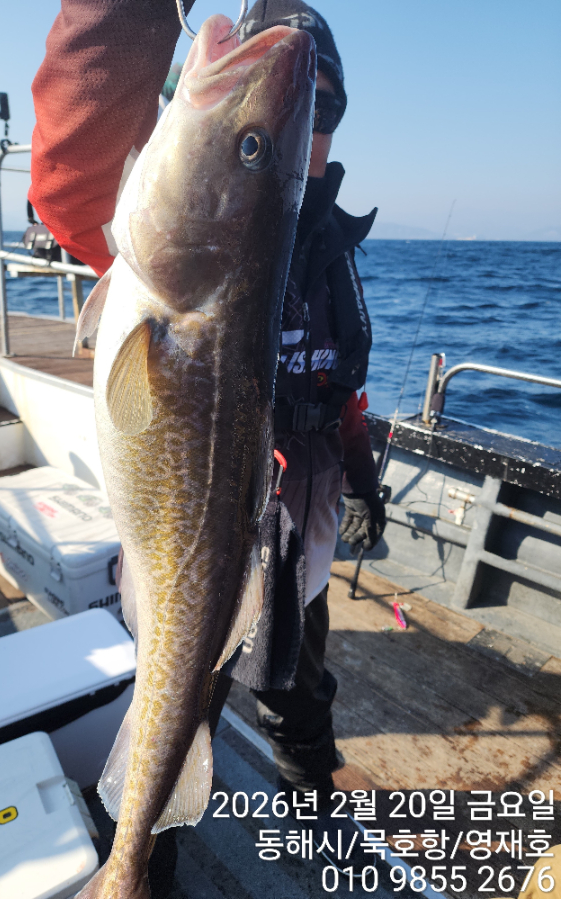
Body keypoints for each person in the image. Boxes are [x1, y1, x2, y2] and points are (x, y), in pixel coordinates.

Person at [29, 0, 386, 888]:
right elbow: (74, 170)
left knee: (303, 700)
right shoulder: (164, 239)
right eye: (260, 140)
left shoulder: (326, 247)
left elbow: (340, 383)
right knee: (185, 703)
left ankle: (314, 822)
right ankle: (140, 862)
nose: (309, 127)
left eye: (323, 105)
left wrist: (360, 469)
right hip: (209, 550)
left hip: (301, 545)